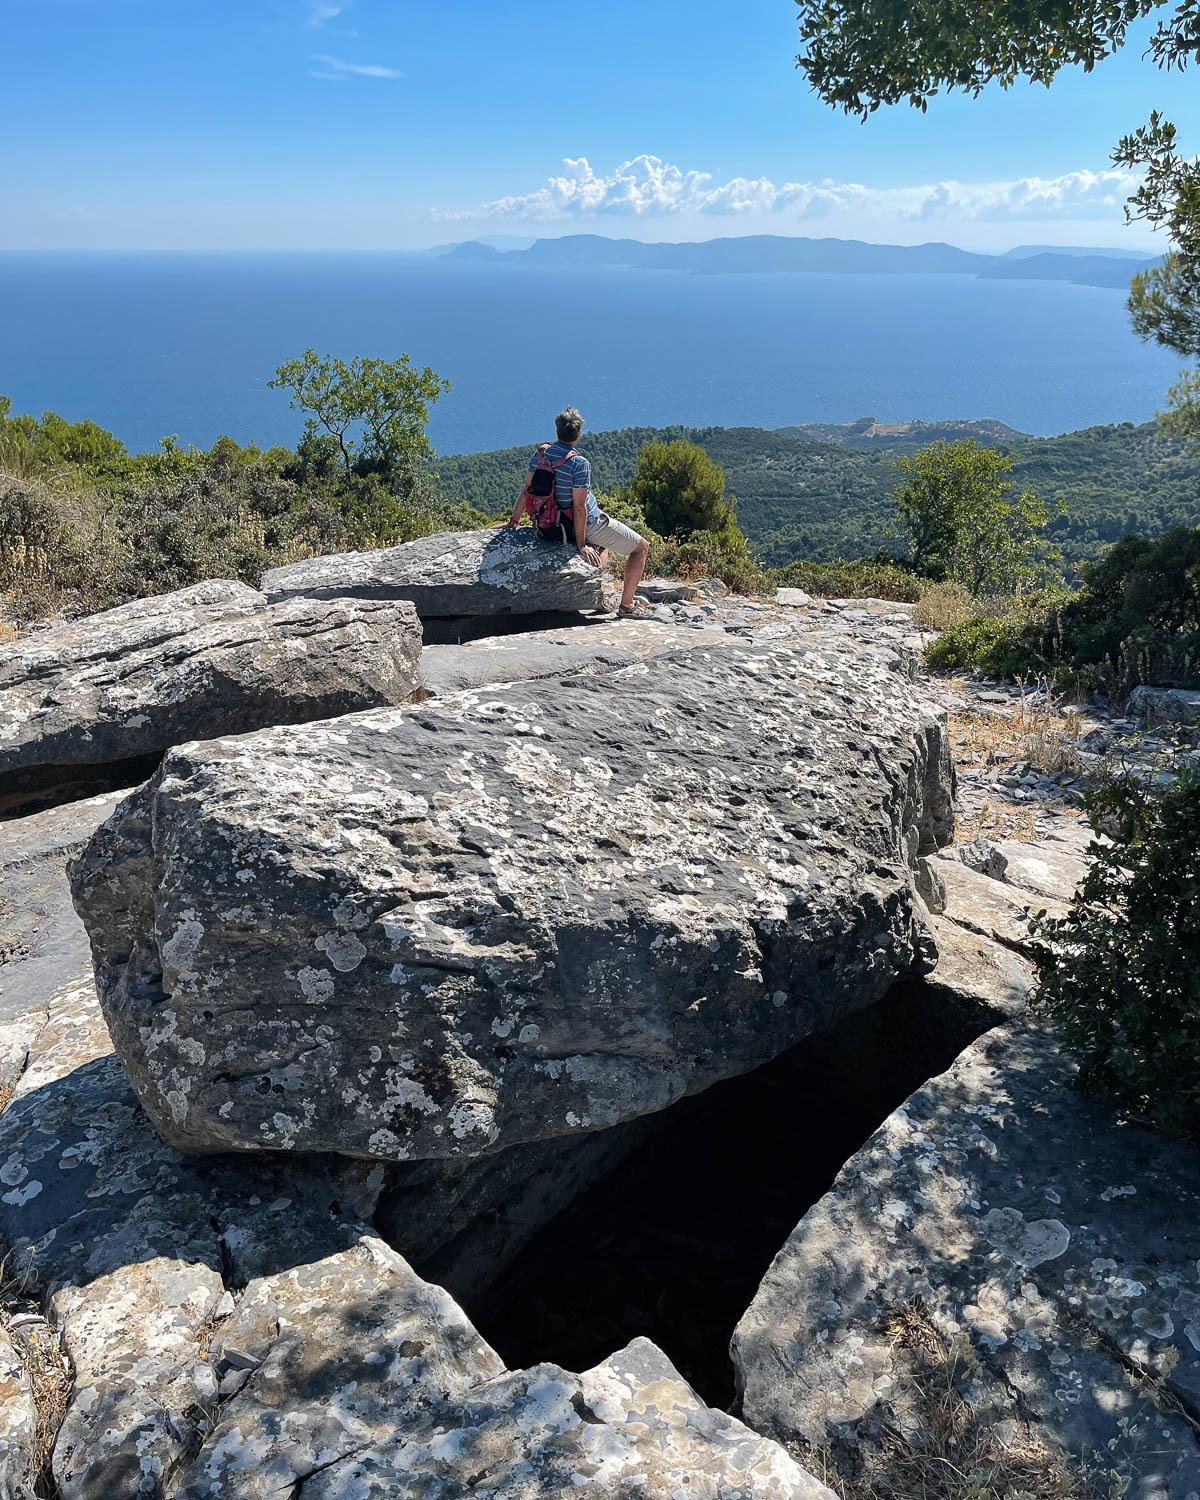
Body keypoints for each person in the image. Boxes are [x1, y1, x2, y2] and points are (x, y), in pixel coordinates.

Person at [505, 406, 650, 619]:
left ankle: (592, 589)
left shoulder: (541, 454)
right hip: (582, 525)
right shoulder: (578, 463)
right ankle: (626, 606)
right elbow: (580, 507)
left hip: (546, 524)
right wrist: (582, 545)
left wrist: (513, 522)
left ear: (557, 430)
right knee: (641, 548)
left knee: (601, 546)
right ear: (579, 434)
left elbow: (526, 490)